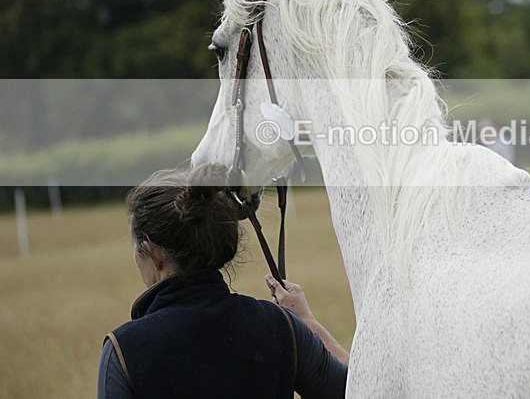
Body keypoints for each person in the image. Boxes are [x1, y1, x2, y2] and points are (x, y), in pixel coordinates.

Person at [98, 164, 348, 399]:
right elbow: (359, 391)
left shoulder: (123, 350)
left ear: (154, 253)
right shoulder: (281, 326)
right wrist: (307, 322)